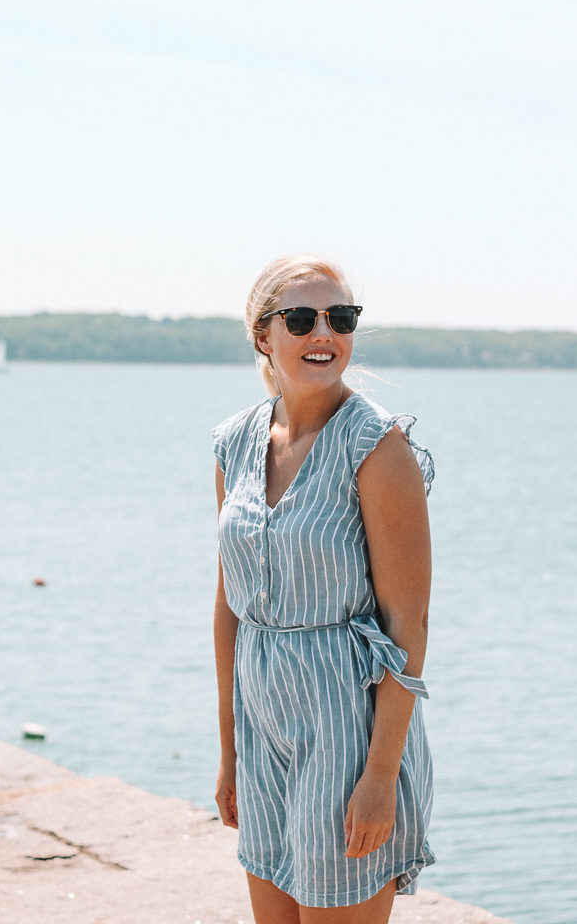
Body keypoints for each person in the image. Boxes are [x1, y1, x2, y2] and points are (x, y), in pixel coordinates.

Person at [212, 255, 435, 924]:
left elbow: (408, 624)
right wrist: (229, 753)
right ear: (263, 335)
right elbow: (229, 606)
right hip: (262, 728)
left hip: (348, 730)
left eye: (341, 318)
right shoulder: (234, 443)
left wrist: (379, 778)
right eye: (302, 318)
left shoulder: (377, 447)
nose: (324, 334)